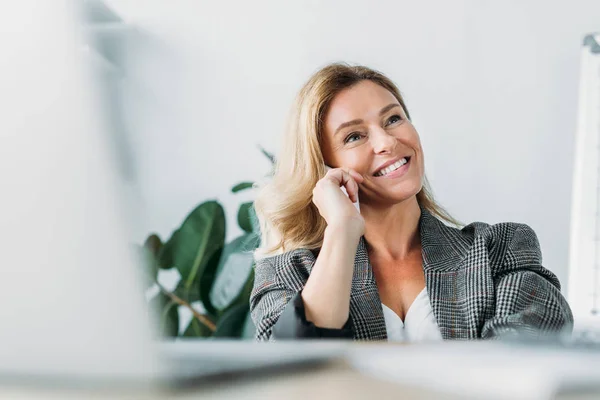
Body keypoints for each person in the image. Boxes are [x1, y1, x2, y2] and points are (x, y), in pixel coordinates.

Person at [249, 63, 573, 341]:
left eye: (393, 119)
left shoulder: (498, 250)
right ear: (323, 168)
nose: (387, 141)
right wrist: (343, 230)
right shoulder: (288, 274)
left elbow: (522, 367)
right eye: (354, 136)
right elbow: (291, 374)